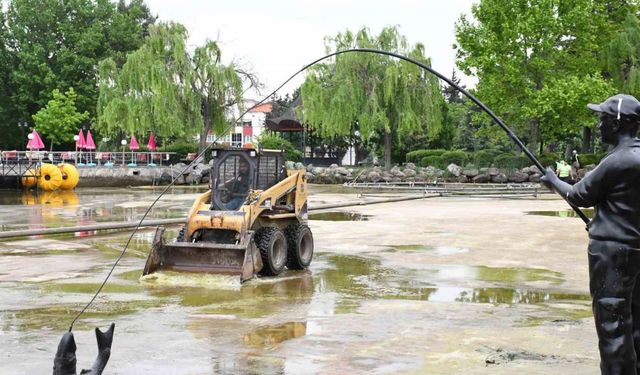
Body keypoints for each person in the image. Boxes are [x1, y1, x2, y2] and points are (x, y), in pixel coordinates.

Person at [541, 93, 640, 375]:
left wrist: (553, 182)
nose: (598, 127)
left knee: (613, 328)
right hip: (636, 251)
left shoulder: (617, 160)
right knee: (636, 324)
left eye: (603, 120)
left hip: (612, 257)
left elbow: (578, 196)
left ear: (617, 124)